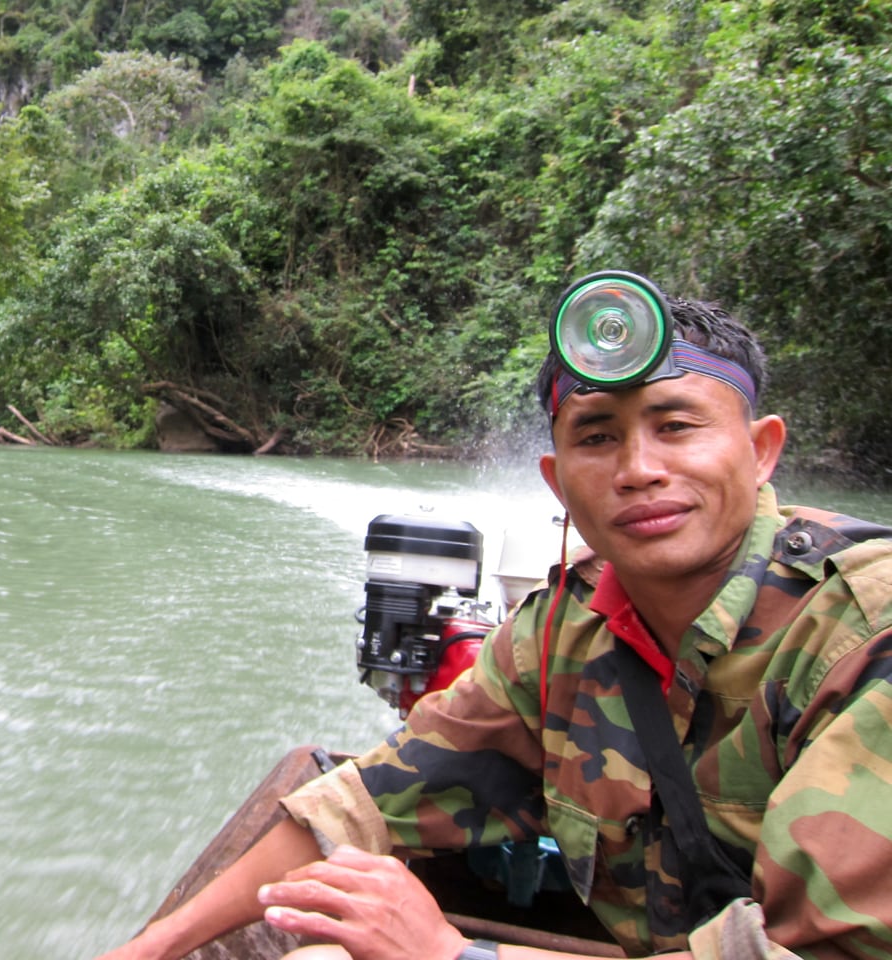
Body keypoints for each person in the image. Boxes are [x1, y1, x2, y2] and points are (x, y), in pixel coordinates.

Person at [96, 277, 892, 960]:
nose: (640, 470)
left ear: (761, 452)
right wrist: (155, 944)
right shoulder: (560, 634)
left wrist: (458, 953)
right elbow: (363, 804)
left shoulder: (863, 640)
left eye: (677, 426)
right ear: (556, 479)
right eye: (598, 436)